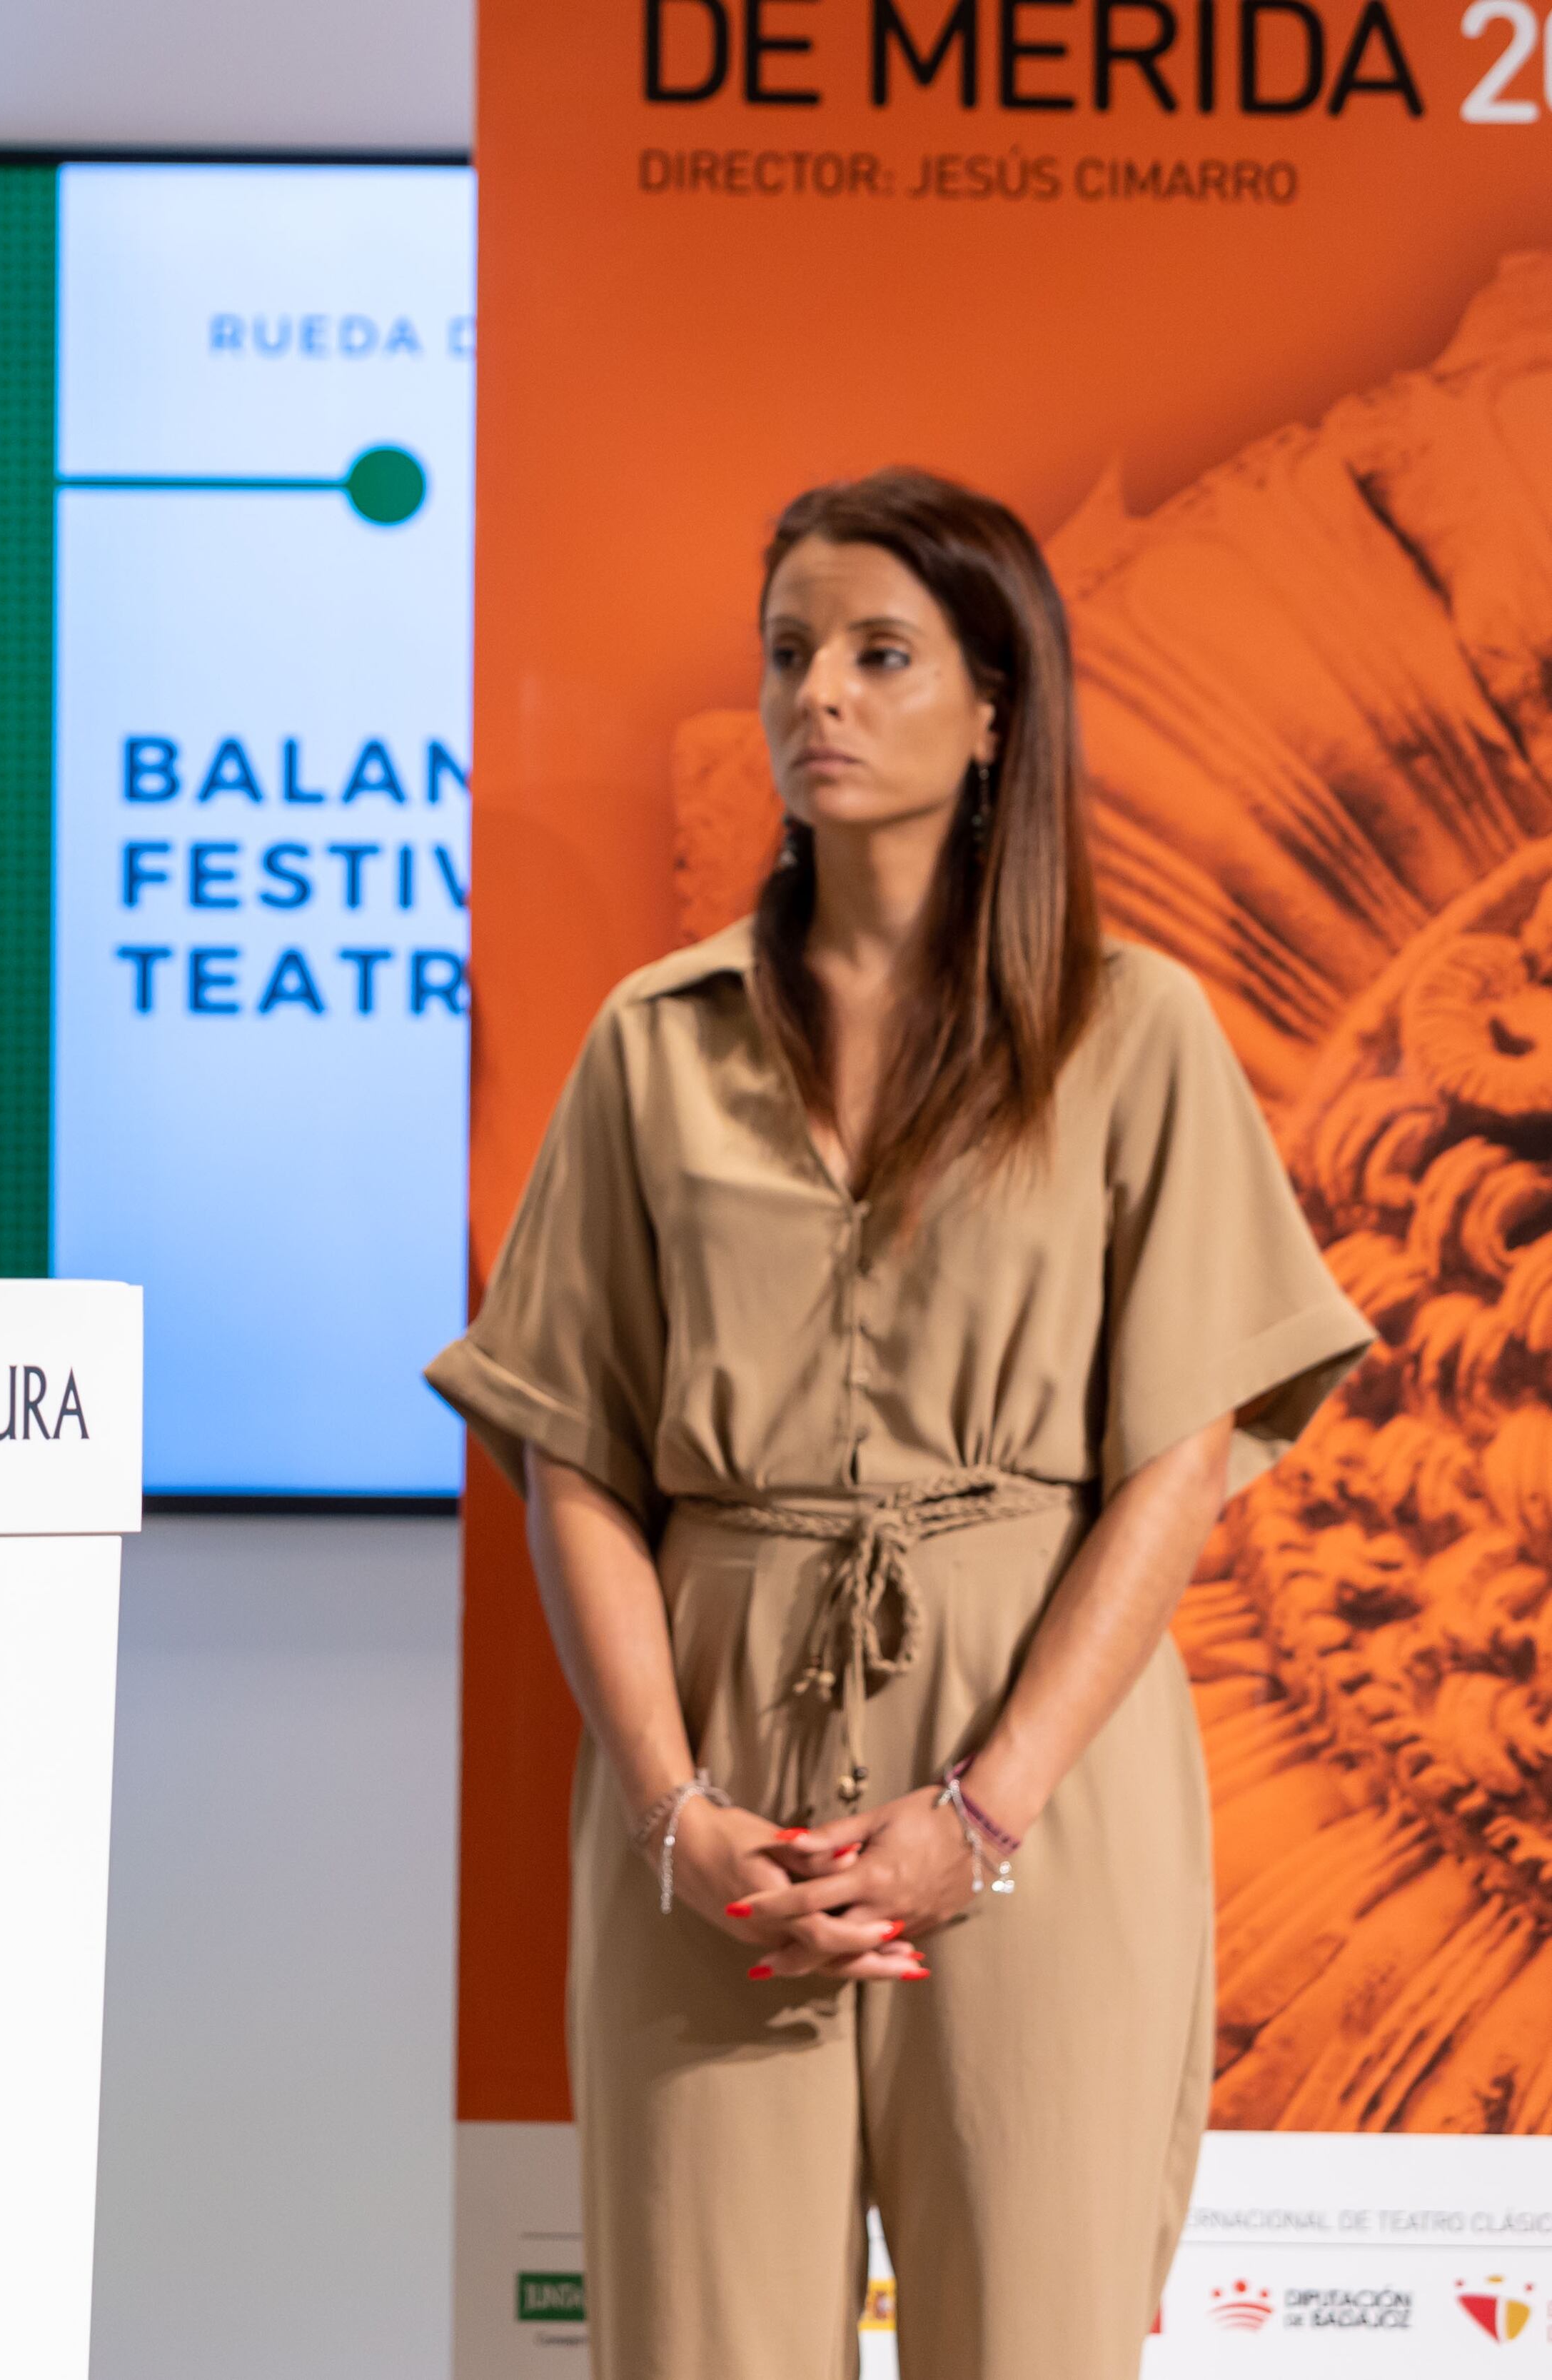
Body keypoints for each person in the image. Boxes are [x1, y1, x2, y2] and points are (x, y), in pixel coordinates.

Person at [425, 468, 1374, 2378]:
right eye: (788, 655)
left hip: (1039, 1771)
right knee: (697, 2346)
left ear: (997, 701)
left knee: (1032, 2339)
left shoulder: (1135, 1031)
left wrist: (983, 1808)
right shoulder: (649, 1040)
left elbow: (1178, 1457)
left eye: (879, 654)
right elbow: (575, 1456)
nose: (818, 700)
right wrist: (665, 1803)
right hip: (715, 1791)